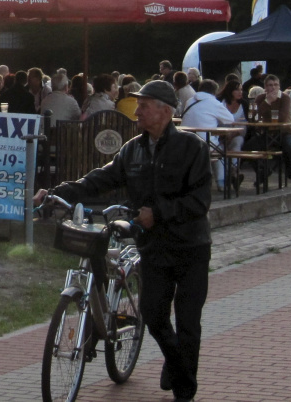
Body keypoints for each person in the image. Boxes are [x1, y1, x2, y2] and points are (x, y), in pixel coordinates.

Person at [33, 80, 211, 402]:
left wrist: (159, 213)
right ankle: (176, 361)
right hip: (154, 246)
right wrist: (57, 192)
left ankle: (185, 390)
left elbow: (200, 202)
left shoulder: (192, 148)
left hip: (190, 247)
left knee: (188, 322)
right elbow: (99, 179)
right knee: (153, 314)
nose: (137, 110)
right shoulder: (133, 150)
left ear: (165, 111)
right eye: (137, 103)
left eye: (144, 105)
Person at [183, 79, 238, 190]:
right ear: (214, 92)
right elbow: (230, 119)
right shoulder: (214, 103)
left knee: (214, 147)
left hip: (185, 143)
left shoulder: (189, 101)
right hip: (204, 144)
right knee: (220, 151)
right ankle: (221, 182)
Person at [252, 74, 291, 187]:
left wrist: (266, 113)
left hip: (285, 131)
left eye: (276, 85)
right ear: (265, 87)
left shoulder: (285, 98)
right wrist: (267, 102)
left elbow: (282, 117)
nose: (273, 88)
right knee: (249, 147)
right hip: (267, 132)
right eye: (270, 85)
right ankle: (263, 171)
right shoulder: (260, 98)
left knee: (289, 145)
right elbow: (254, 117)